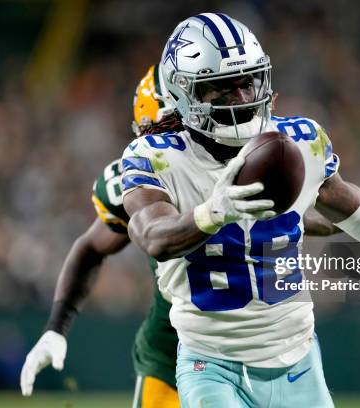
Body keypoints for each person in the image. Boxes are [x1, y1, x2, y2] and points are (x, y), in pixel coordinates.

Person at [121, 13, 360, 408]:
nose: (244, 99)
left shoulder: (298, 143)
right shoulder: (158, 157)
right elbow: (152, 237)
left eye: (248, 82)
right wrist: (213, 213)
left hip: (297, 359)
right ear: (185, 93)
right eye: (222, 88)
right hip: (211, 366)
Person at [19, 64, 339, 407]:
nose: (163, 139)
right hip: (173, 350)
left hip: (258, 344)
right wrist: (56, 327)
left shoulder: (251, 161)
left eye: (168, 126)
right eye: (157, 129)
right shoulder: (144, 176)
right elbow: (91, 247)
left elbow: (310, 217)